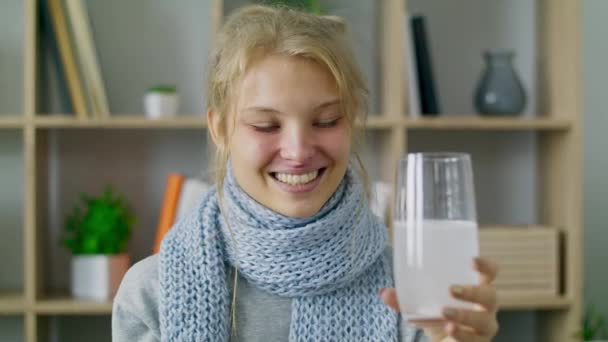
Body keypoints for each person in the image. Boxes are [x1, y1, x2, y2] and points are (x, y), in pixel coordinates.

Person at [112, 5, 499, 342]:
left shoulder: (414, 293)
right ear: (219, 129)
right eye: (266, 125)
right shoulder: (152, 292)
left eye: (327, 120)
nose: (298, 151)